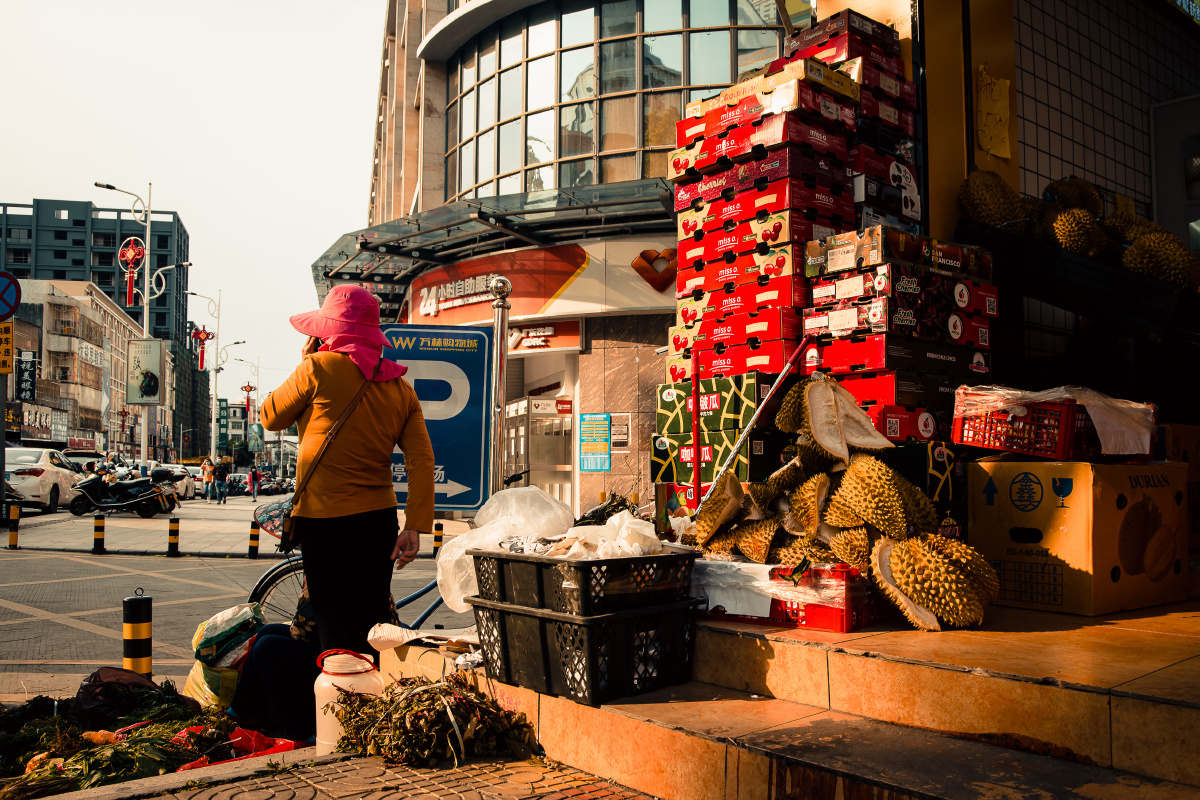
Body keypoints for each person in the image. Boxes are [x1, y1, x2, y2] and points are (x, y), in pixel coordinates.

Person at [262, 284, 434, 658]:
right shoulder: (401, 389)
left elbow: (270, 416)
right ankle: (372, 703)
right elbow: (421, 461)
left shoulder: (317, 368)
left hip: (326, 524)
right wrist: (415, 526)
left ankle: (338, 707)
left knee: (334, 631)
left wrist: (307, 359)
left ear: (329, 331)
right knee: (371, 625)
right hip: (378, 523)